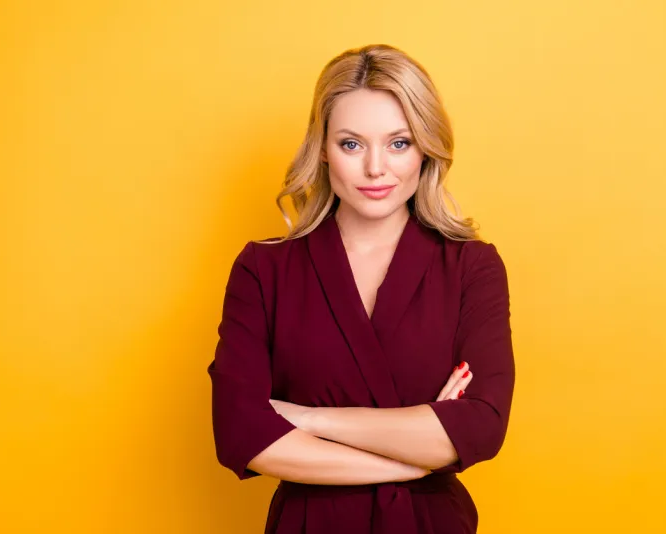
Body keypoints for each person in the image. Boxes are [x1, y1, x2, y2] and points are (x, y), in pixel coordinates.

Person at [207, 43, 515, 534]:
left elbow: (480, 427)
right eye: (352, 144)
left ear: (426, 149)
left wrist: (307, 419)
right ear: (323, 151)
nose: (376, 169)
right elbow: (243, 433)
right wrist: (414, 457)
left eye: (399, 143)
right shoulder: (264, 268)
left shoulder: (471, 267)